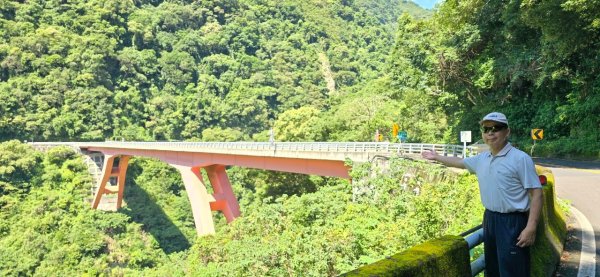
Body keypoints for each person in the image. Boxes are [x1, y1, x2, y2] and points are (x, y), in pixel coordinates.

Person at [421, 112, 542, 277]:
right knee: (493, 269)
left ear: (507, 131)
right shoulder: (482, 159)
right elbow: (460, 162)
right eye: (486, 129)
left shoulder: (520, 159)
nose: (490, 133)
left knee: (513, 270)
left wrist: (531, 227)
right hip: (490, 219)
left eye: (496, 128)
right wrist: (436, 157)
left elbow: (537, 194)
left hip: (512, 222)